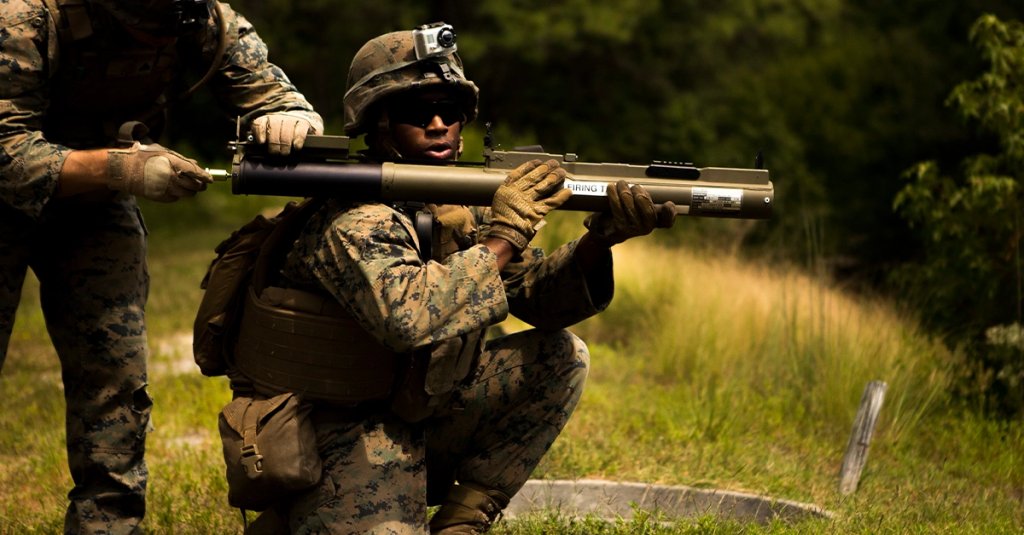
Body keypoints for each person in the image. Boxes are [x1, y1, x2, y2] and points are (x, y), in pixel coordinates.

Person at [229, 23, 674, 534]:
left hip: (417, 409)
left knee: (560, 356)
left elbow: (539, 300)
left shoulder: (456, 209)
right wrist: (505, 236)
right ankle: (296, 515)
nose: (439, 125)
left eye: (451, 110)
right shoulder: (352, 219)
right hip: (335, 431)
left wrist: (601, 240)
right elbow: (410, 318)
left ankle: (463, 519)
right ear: (378, 124)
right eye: (418, 112)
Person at [0, 0, 322, 532]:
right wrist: (121, 167)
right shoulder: (25, 19)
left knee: (116, 377)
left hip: (94, 206)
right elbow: (7, 154)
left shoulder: (201, 16)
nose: (157, 40)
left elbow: (268, 90)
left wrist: (287, 116)